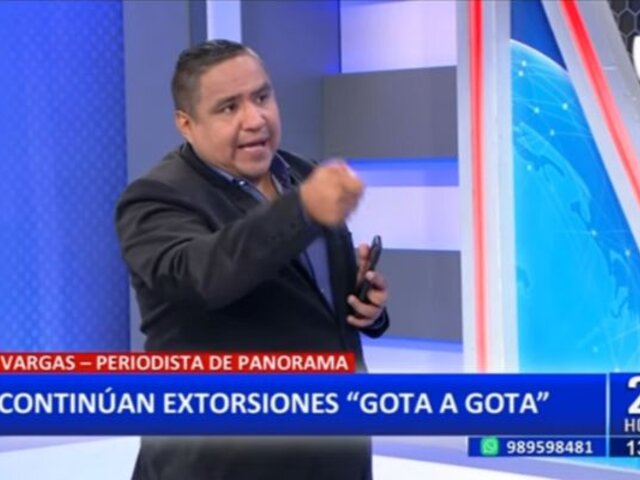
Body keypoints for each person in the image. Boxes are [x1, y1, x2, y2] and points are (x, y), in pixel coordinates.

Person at [115, 39, 390, 480]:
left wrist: (366, 308)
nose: (255, 119)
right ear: (186, 123)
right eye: (229, 107)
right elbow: (201, 277)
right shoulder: (155, 198)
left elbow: (311, 301)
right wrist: (303, 208)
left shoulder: (301, 172)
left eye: (262, 97)